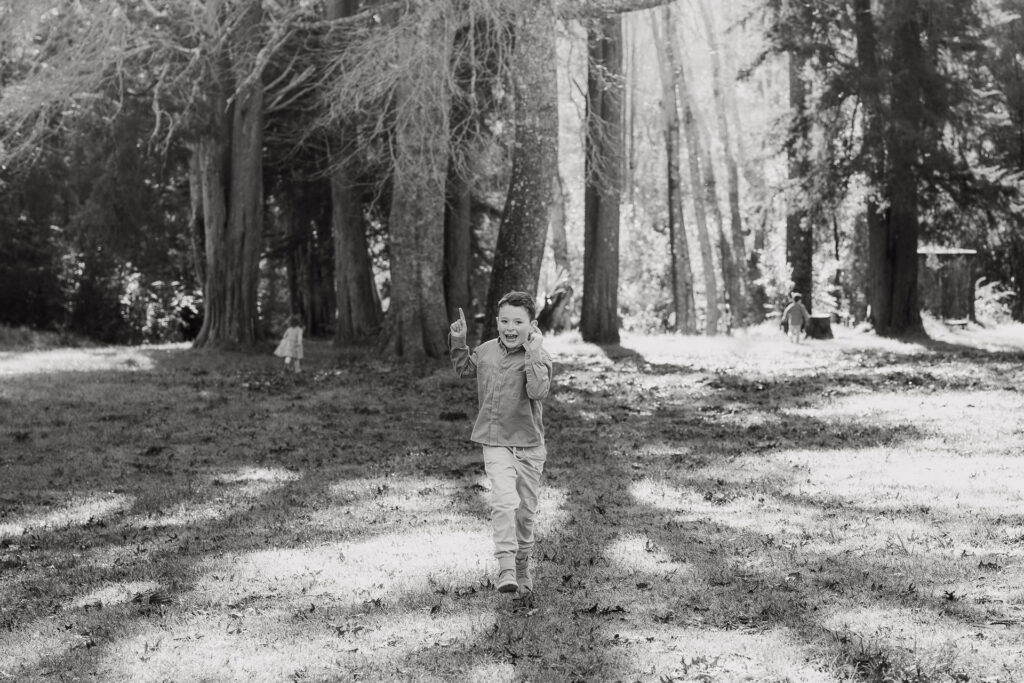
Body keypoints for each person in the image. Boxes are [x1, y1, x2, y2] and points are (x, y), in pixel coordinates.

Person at [450, 292, 553, 595]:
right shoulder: (485, 351)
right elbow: (465, 370)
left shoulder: (540, 356)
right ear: (496, 322)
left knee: (525, 511)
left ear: (531, 325)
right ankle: (506, 567)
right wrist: (459, 342)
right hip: (495, 441)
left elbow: (537, 392)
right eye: (505, 320)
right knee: (504, 501)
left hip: (529, 446)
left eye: (518, 322)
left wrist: (533, 352)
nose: (510, 327)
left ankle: (522, 566)